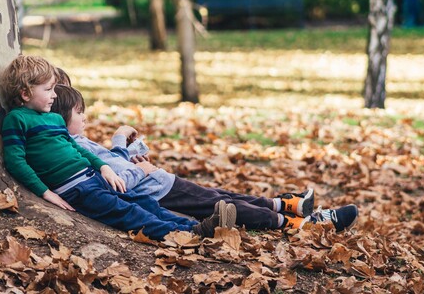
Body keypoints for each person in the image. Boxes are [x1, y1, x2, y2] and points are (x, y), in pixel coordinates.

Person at [51, 83, 359, 233]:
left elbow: (115, 166)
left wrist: (132, 156)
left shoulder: (75, 140)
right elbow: (116, 176)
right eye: (80, 113)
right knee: (223, 206)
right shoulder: (71, 145)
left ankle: (287, 204)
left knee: (222, 195)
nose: (85, 118)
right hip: (157, 189)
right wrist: (125, 148)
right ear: (62, 118)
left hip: (159, 182)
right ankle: (301, 225)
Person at [0, 55, 237, 241]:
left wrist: (104, 168)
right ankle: (186, 236)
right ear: (25, 92)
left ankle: (196, 227)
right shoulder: (18, 119)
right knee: (128, 213)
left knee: (144, 203)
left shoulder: (53, 119)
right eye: (48, 89)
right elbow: (16, 162)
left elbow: (79, 150)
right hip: (76, 189)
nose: (54, 95)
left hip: (94, 177)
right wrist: (45, 192)